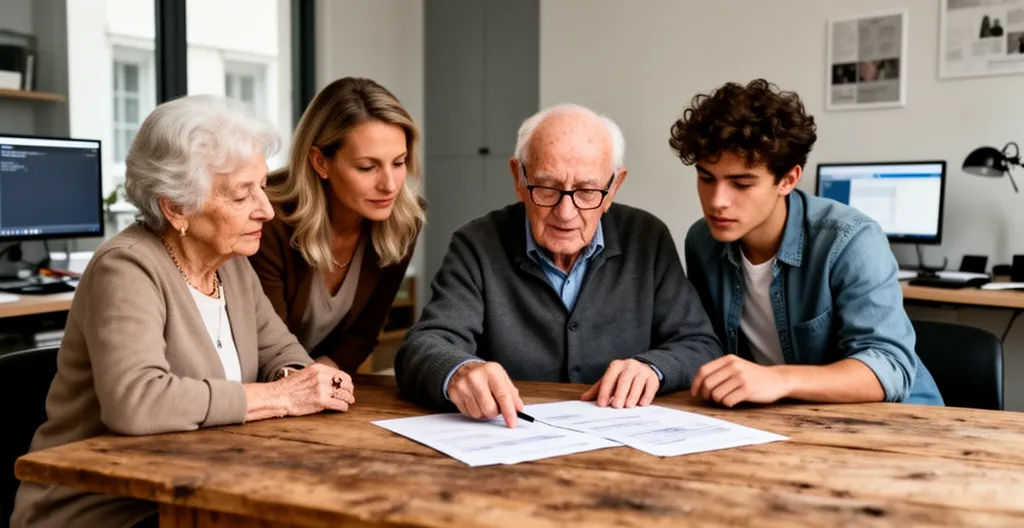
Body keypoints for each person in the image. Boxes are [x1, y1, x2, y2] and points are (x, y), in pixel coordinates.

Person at [11, 96, 355, 528]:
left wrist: (296, 380)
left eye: (262, 186)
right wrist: (280, 398)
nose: (265, 210)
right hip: (108, 506)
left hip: (206, 484)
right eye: (240, 195)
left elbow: (282, 352)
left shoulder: (231, 263)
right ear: (176, 207)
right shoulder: (126, 267)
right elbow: (137, 402)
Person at [395, 104, 722, 427]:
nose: (566, 213)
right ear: (518, 178)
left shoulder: (647, 238)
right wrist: (459, 371)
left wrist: (654, 367)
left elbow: (700, 344)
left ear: (613, 188)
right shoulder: (477, 244)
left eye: (587, 191)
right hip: (512, 439)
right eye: (548, 188)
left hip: (621, 444)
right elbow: (423, 346)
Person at [672, 79, 943, 408]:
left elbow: (890, 366)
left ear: (787, 180)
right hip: (783, 421)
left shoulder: (851, 239)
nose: (717, 201)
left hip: (894, 423)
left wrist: (778, 379)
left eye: (741, 183)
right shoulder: (702, 241)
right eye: (706, 178)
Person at [250, 77, 425, 374]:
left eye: (398, 162)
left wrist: (323, 378)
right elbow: (266, 343)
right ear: (320, 162)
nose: (390, 185)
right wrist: (305, 387)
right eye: (367, 167)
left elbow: (364, 334)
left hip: (319, 384)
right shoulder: (268, 219)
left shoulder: (403, 220)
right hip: (259, 381)